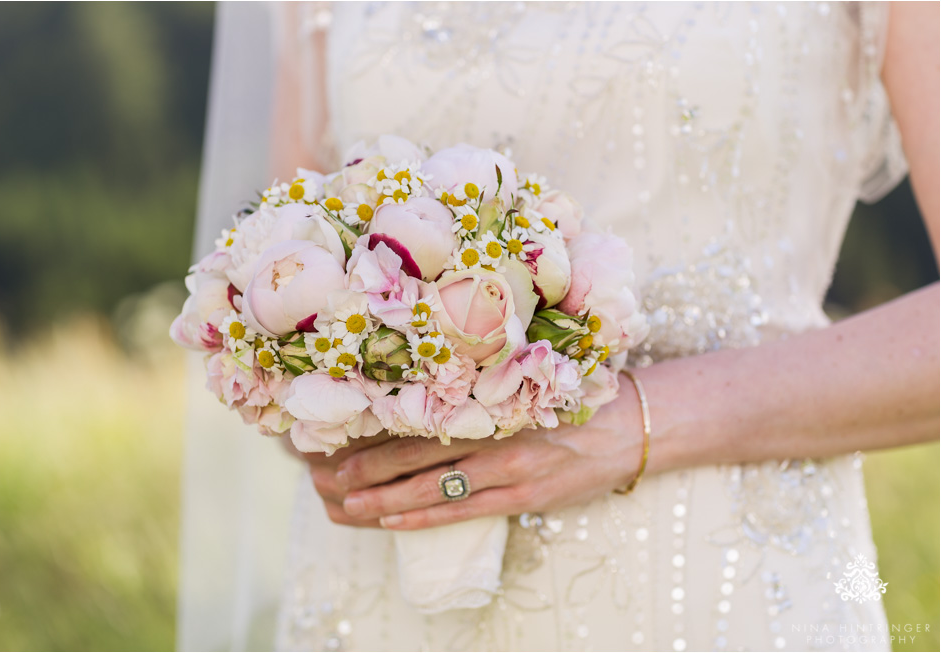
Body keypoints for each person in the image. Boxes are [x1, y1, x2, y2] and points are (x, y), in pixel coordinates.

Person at [178, 2, 938, 651]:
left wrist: (635, 420)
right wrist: (357, 383)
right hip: (385, 591)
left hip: (720, 583)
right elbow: (286, 276)